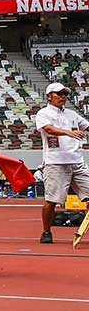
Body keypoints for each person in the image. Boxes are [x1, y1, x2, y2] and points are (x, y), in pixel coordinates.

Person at [34, 83, 89, 244]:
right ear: (49, 95)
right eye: (59, 93)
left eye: (65, 94)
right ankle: (46, 231)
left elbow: (87, 125)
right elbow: (49, 129)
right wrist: (68, 132)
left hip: (77, 162)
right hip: (55, 162)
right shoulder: (43, 113)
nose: (63, 96)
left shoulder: (72, 114)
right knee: (51, 200)